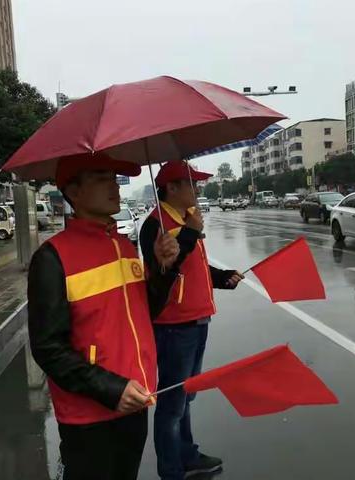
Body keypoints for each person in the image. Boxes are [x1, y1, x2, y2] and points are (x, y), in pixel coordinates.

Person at [28, 153, 180, 480]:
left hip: (135, 400)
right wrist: (111, 389)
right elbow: (48, 348)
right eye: (101, 177)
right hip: (89, 417)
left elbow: (145, 312)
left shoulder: (125, 246)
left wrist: (163, 269)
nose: (113, 185)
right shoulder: (52, 258)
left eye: (113, 177)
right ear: (74, 192)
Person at [140, 161, 244, 480]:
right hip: (175, 325)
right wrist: (189, 233)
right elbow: (163, 273)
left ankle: (187, 455)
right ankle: (171, 470)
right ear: (171, 188)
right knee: (172, 404)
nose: (196, 191)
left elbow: (194, 268)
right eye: (191, 184)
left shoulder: (185, 220)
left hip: (197, 320)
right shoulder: (156, 225)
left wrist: (222, 277)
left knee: (186, 397)